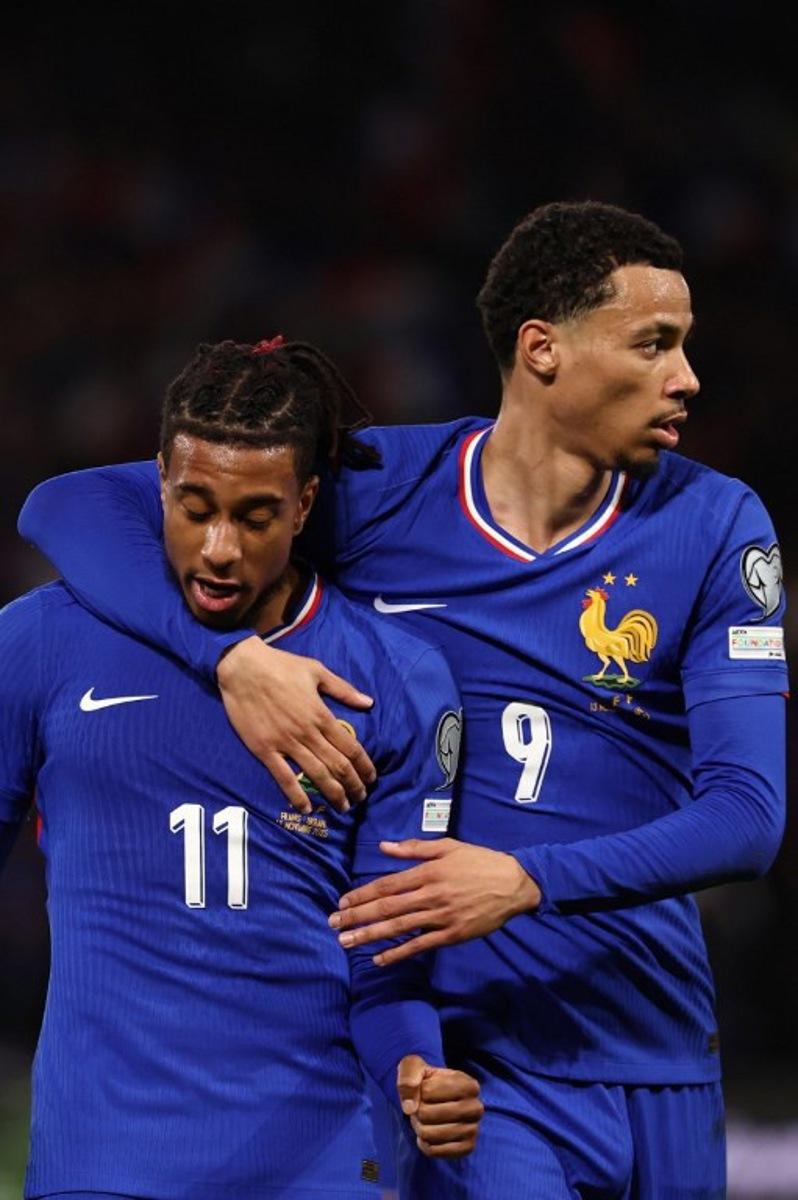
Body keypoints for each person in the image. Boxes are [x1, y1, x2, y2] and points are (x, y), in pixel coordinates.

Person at [18, 202, 788, 1198]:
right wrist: (229, 660)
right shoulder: (382, 490)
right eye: (655, 345)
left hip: (658, 1040)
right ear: (542, 349)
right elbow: (73, 505)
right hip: (470, 1051)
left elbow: (747, 818)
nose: (686, 378)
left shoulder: (716, 523)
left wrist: (525, 877)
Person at [3, 337, 485, 1200]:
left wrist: (418, 1068)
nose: (219, 548)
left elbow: (387, 967)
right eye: (194, 508)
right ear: (157, 481)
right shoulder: (43, 641)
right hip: (102, 1164)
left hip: (319, 1165)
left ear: (305, 505)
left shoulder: (396, 683)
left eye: (255, 517)